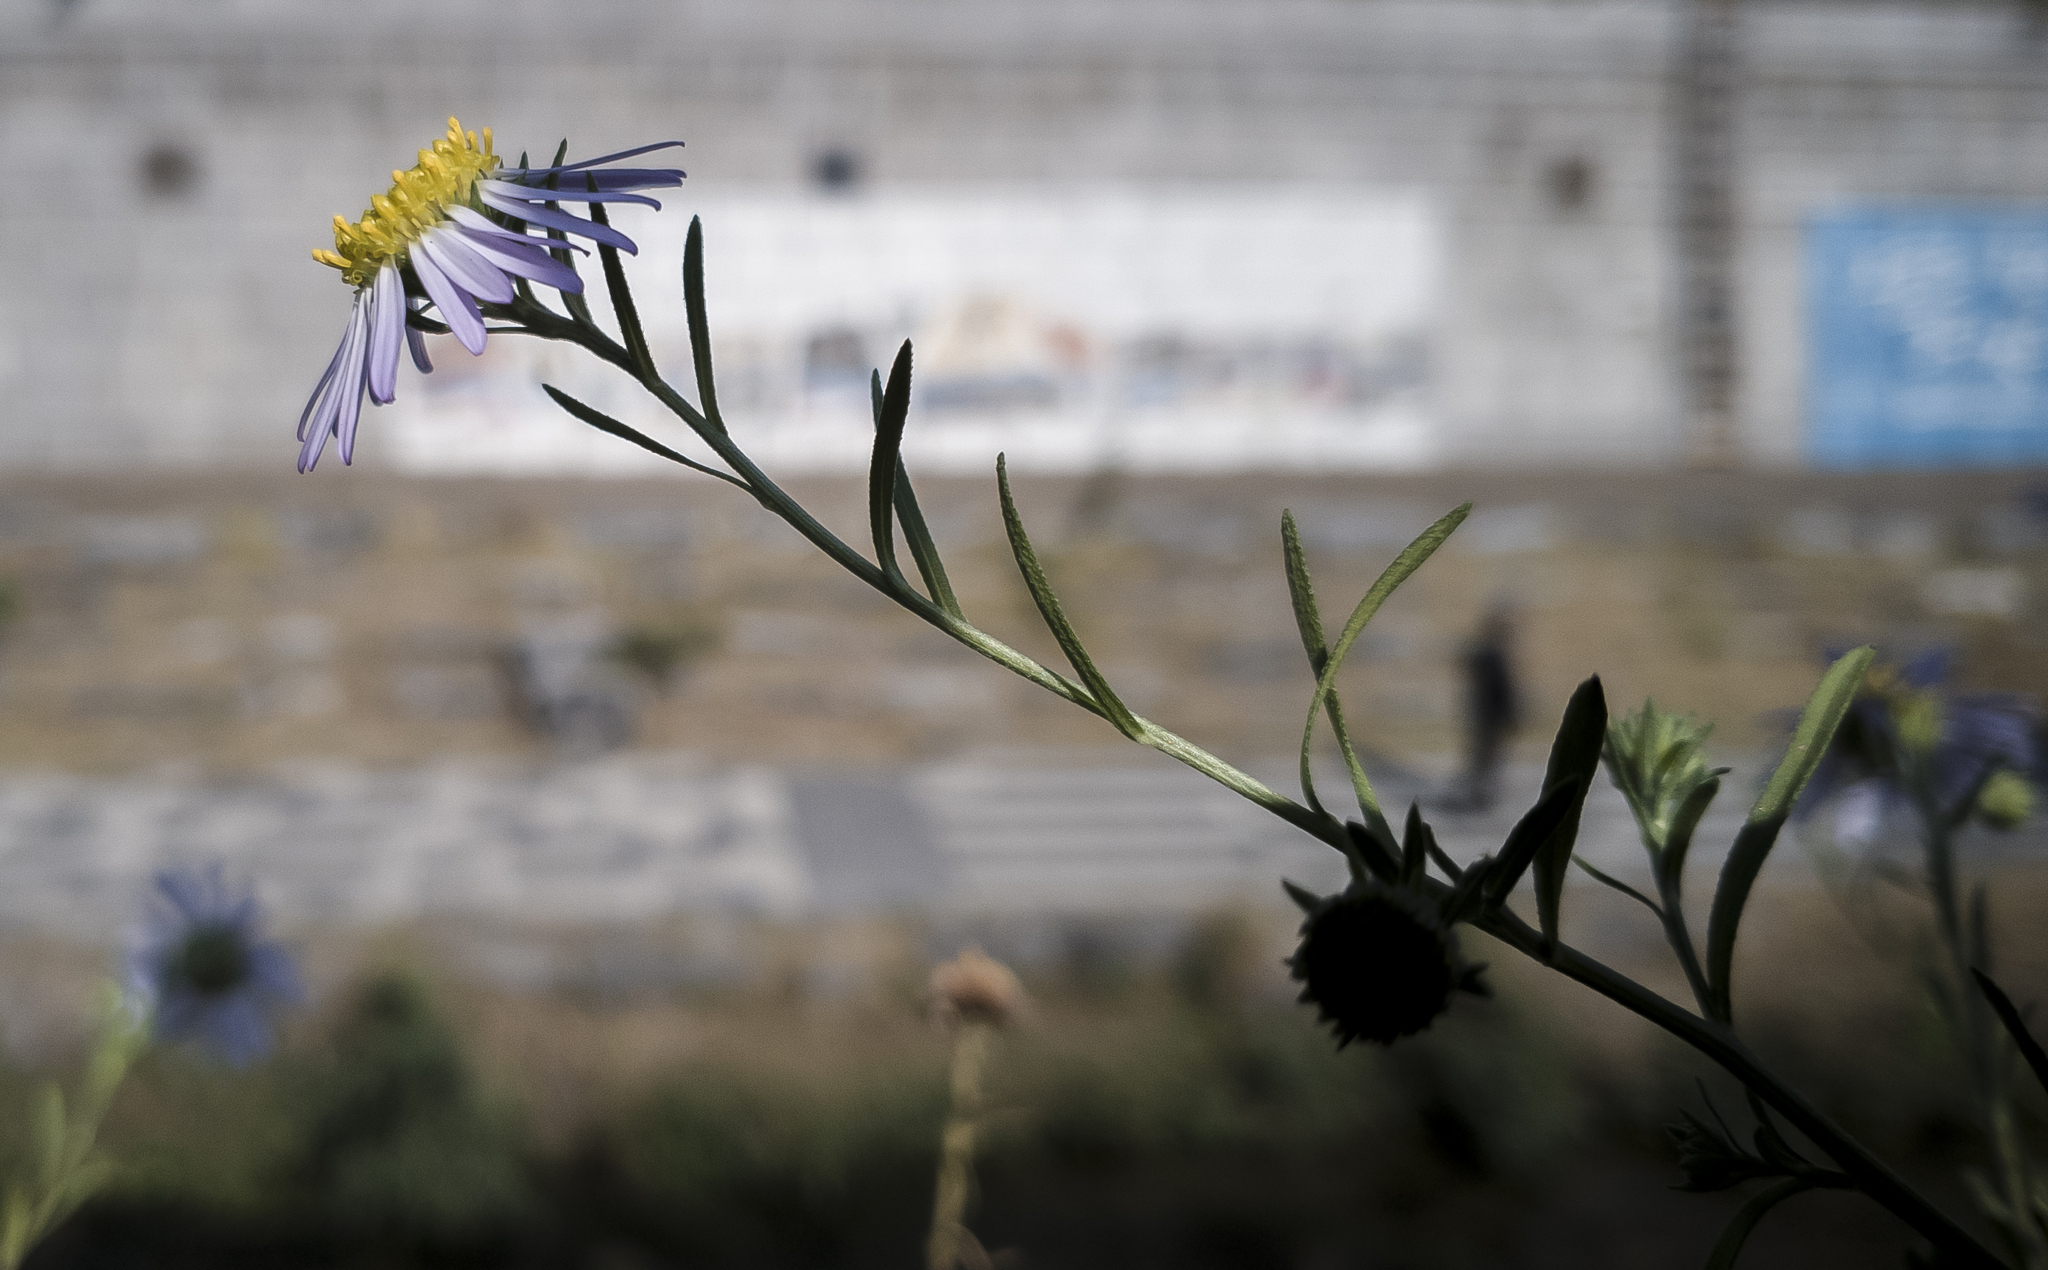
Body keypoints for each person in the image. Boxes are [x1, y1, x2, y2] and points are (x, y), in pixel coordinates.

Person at [1454, 603, 1520, 811]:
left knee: (1484, 758)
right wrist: (1510, 714)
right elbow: (1501, 690)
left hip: (1486, 716)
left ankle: (1479, 796)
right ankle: (1479, 798)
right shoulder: (1493, 656)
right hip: (1489, 717)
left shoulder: (1486, 654)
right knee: (1485, 758)